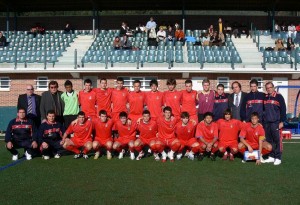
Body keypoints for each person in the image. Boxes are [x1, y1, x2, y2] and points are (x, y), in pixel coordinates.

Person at [262, 82, 286, 165]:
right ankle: (271, 156)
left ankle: (278, 157)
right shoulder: (265, 97)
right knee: (269, 140)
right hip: (267, 123)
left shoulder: (279, 96)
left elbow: (283, 109)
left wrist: (282, 121)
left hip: (276, 123)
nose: (269, 89)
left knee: (277, 140)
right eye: (267, 88)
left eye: (270, 87)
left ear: (273, 87)